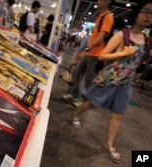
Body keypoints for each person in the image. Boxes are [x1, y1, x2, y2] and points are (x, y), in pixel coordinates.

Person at [71, 1, 152, 164]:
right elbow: (102, 56)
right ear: (136, 13)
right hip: (110, 78)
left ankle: (108, 144)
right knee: (92, 104)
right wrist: (123, 52)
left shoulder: (147, 40)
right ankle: (75, 114)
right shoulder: (123, 34)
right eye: (146, 11)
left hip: (126, 84)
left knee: (118, 115)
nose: (148, 16)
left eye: (151, 14)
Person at [62, 0, 114, 103]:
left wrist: (88, 48)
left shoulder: (108, 17)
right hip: (91, 52)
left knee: (89, 79)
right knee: (76, 72)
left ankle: (86, 101)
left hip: (96, 52)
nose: (98, 1)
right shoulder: (101, 16)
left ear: (107, 1)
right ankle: (75, 94)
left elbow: (101, 37)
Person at [62, 29, 91, 107]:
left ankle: (82, 99)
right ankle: (74, 94)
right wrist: (76, 59)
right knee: (76, 74)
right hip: (85, 59)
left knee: (88, 81)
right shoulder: (89, 38)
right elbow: (84, 48)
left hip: (94, 62)